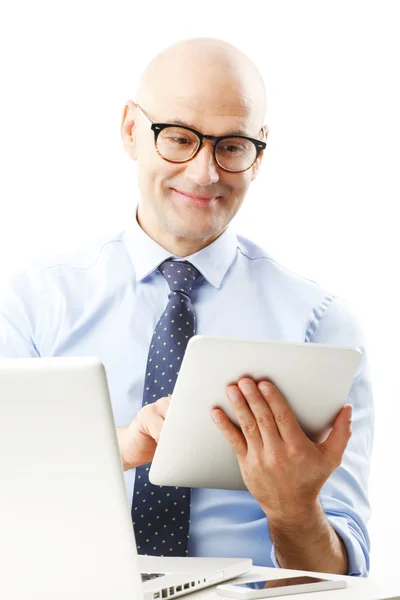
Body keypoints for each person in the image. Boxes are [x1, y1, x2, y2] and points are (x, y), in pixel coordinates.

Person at [0, 37, 373, 577]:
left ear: (260, 151)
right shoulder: (35, 304)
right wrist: (118, 448)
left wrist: (293, 511)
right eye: (178, 138)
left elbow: (344, 577)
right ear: (131, 130)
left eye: (232, 145)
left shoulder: (322, 325)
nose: (204, 173)